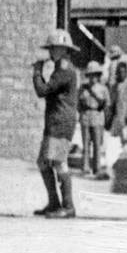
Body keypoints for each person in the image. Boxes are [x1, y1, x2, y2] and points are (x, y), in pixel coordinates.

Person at [32, 29, 80, 219]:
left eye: (54, 48)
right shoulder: (61, 68)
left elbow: (42, 90)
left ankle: (68, 206)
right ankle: (54, 203)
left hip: (60, 121)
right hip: (55, 121)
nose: (51, 51)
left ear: (64, 49)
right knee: (44, 162)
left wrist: (36, 72)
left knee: (59, 163)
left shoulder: (65, 70)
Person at [78, 61, 110, 177]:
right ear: (88, 76)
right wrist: (81, 114)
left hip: (98, 117)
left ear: (98, 75)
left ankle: (97, 168)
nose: (93, 77)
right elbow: (78, 103)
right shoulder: (83, 88)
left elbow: (107, 105)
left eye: (95, 75)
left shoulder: (103, 89)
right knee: (85, 145)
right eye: (91, 75)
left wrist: (106, 120)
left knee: (97, 144)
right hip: (86, 117)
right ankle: (85, 168)